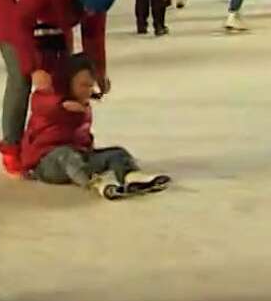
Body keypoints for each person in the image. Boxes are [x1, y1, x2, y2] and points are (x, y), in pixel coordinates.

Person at [0, 0, 121, 175]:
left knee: (64, 74)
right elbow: (21, 24)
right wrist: (33, 68)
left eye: (93, 11)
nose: (90, 13)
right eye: (86, 8)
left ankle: (56, 139)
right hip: (13, 8)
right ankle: (12, 148)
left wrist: (98, 71)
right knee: (21, 77)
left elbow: (93, 35)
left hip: (55, 12)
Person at [20, 55, 170, 199]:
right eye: (83, 85)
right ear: (68, 82)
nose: (88, 90)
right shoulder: (49, 97)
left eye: (90, 85)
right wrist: (60, 105)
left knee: (117, 153)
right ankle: (97, 183)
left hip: (78, 155)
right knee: (65, 155)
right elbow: (40, 103)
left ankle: (131, 176)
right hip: (45, 164)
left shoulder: (84, 106)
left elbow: (82, 135)